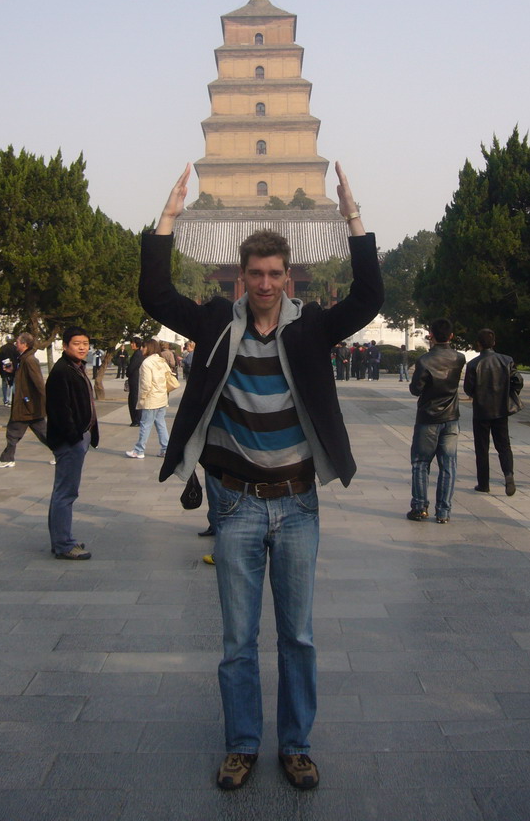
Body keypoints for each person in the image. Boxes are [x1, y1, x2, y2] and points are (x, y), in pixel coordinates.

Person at [139, 162, 383, 792]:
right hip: (237, 504)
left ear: (289, 276)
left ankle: (296, 744)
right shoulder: (219, 323)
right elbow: (157, 298)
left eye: (276, 274)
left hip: (298, 502)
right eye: (256, 274)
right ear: (242, 277)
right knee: (237, 638)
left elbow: (368, 299)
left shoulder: (312, 328)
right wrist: (169, 216)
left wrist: (352, 218)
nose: (266, 283)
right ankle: (243, 743)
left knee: (297, 636)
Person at [45, 326, 99, 560]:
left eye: (85, 343)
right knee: (66, 493)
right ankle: (64, 544)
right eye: (77, 343)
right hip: (70, 440)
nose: (82, 347)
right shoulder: (62, 371)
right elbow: (59, 410)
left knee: (63, 491)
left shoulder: (75, 368)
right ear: (65, 345)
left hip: (78, 437)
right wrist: (75, 437)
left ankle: (61, 539)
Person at [407, 319, 466, 523]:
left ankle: (420, 506)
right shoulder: (459, 358)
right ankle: (443, 511)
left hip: (428, 417)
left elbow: (416, 389)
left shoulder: (424, 361)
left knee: (421, 462)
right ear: (451, 336)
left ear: (431, 334)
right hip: (451, 416)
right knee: (448, 465)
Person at [463, 329, 523, 496]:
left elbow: (468, 388)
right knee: (504, 445)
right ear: (494, 343)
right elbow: (518, 380)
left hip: (481, 410)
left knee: (482, 448)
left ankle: (483, 483)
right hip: (501, 409)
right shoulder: (506, 360)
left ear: (478, 344)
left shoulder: (473, 364)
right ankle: (508, 474)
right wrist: (511, 392)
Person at [0, 332, 48, 468]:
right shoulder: (23, 359)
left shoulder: (29, 360)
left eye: (18, 342)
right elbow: (24, 377)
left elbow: (39, 382)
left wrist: (46, 401)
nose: (16, 344)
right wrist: (13, 371)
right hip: (28, 405)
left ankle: (7, 458)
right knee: (43, 433)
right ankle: (62, 453)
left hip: (26, 404)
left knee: (13, 432)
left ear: (24, 344)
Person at [125, 338, 172, 459]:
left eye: (144, 347)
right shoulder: (160, 360)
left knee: (145, 424)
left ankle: (139, 450)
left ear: (149, 348)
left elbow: (146, 384)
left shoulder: (147, 363)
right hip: (162, 396)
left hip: (151, 398)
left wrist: (142, 399)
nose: (141, 349)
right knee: (160, 423)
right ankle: (166, 449)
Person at [0, 337, 19, 406]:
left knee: (4, 384)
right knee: (12, 384)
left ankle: (5, 400)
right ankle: (11, 399)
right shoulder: (15, 348)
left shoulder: (2, 348)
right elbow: (19, 358)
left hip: (4, 369)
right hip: (13, 369)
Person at [126, 337, 143, 426]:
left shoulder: (138, 354)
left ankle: (137, 420)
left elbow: (132, 367)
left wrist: (127, 372)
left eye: (133, 343)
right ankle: (136, 419)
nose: (131, 345)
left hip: (135, 379)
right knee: (133, 399)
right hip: (134, 379)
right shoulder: (137, 353)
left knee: (134, 399)